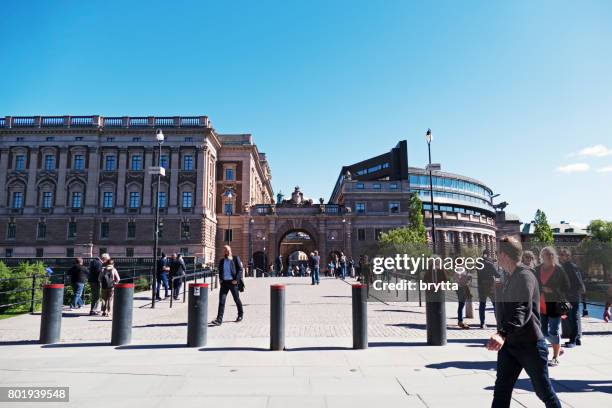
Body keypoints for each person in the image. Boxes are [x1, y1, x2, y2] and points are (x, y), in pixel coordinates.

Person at [487, 236, 560, 408]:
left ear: (504, 255)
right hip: (510, 345)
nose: (497, 257)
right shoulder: (510, 276)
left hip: (530, 345)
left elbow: (522, 309)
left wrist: (502, 333)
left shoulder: (525, 275)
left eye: (498, 253)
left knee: (544, 392)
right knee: (501, 391)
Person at [535, 246, 570, 367]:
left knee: (554, 331)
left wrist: (553, 290)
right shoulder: (537, 269)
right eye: (546, 254)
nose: (549, 256)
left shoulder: (559, 269)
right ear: (541, 256)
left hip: (555, 305)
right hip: (541, 305)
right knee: (543, 332)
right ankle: (558, 347)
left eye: (551, 254)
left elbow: (567, 286)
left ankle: (555, 357)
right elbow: (533, 285)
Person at [211, 245, 244, 326]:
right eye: (225, 250)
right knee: (221, 301)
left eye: (228, 250)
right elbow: (220, 271)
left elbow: (240, 269)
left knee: (236, 299)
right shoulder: (222, 261)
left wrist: (236, 279)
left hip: (233, 283)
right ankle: (219, 319)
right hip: (224, 283)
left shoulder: (235, 258)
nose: (226, 251)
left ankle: (240, 314)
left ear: (230, 250)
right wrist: (220, 279)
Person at [559, 248, 585, 347]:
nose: (560, 256)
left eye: (562, 255)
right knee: (571, 317)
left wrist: (570, 293)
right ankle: (576, 339)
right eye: (560, 254)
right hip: (569, 296)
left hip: (571, 296)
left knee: (572, 318)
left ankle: (573, 340)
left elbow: (578, 282)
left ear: (568, 256)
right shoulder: (565, 266)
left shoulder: (570, 267)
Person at [478, 249, 500, 329]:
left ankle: (482, 323)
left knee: (482, 305)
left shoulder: (479, 264)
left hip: (481, 287)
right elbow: (497, 275)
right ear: (488, 254)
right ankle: (498, 322)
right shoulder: (490, 264)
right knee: (495, 305)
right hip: (490, 287)